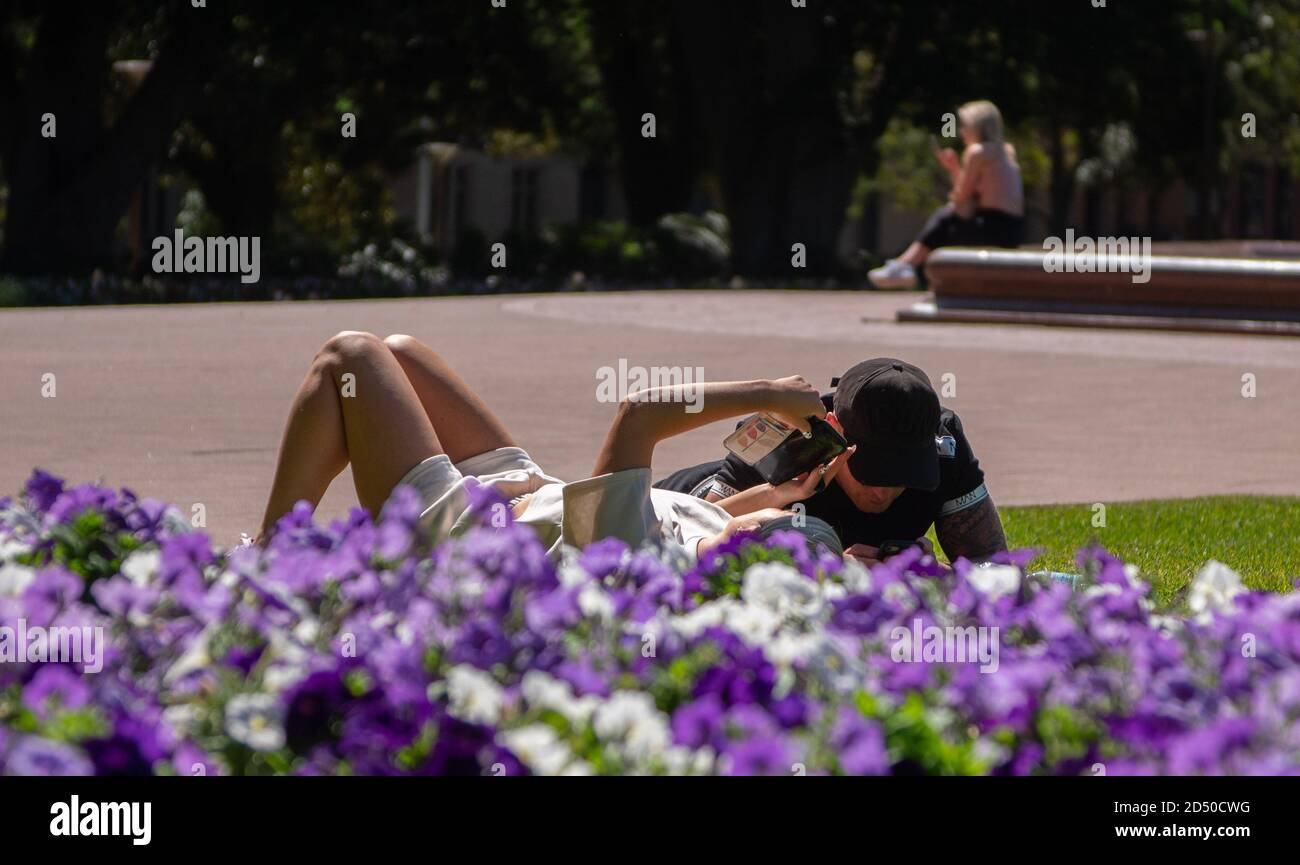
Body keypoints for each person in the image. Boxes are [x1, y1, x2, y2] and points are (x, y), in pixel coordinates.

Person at [257, 331, 849, 560]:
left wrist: (768, 393)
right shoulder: (707, 549)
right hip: (530, 492)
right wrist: (783, 489)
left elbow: (638, 415)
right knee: (403, 353)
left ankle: (267, 555)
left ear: (743, 545)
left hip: (455, 525)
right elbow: (700, 520)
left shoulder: (631, 551)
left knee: (352, 357)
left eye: (777, 520)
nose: (776, 511)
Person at [654, 358, 1007, 566]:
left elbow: (995, 570)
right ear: (834, 430)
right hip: (668, 505)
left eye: (905, 474)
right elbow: (693, 528)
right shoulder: (786, 437)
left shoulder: (944, 444)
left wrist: (932, 576)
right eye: (873, 472)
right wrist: (833, 573)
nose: (883, 491)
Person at [868, 100, 1025, 289]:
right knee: (947, 220)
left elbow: (961, 198)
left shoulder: (977, 152)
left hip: (992, 228)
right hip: (1010, 230)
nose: (961, 132)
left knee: (945, 217)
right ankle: (906, 266)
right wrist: (954, 168)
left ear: (977, 127)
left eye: (965, 126)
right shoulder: (1004, 152)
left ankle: (906, 265)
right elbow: (972, 196)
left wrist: (953, 173)